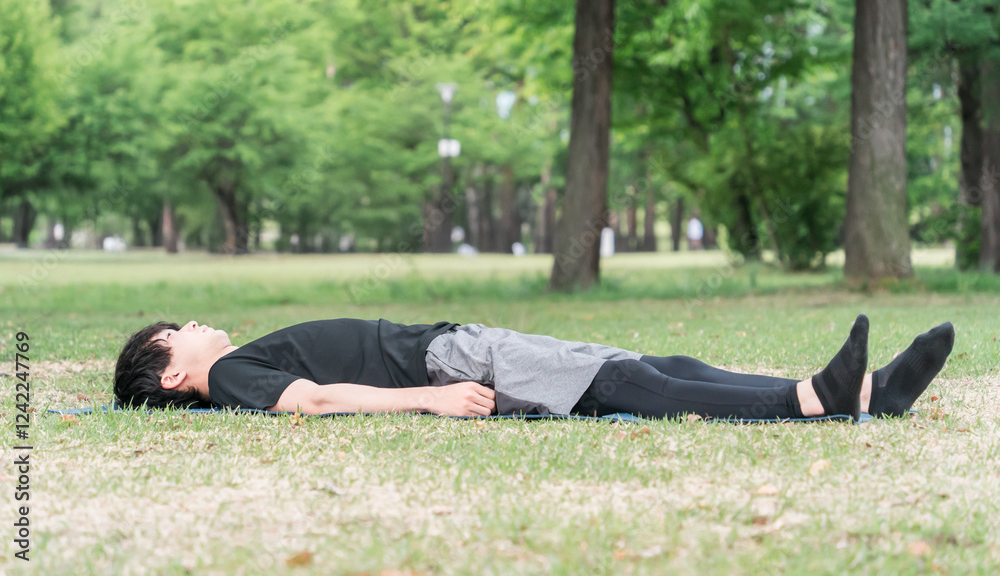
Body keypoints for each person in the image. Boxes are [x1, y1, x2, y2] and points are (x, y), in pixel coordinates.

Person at [113, 314, 955, 423]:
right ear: (173, 374)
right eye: (175, 333)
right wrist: (431, 401)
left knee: (658, 362)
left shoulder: (231, 367)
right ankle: (817, 402)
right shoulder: (229, 379)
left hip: (449, 348)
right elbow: (314, 399)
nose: (194, 324)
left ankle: (871, 393)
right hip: (444, 362)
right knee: (628, 386)